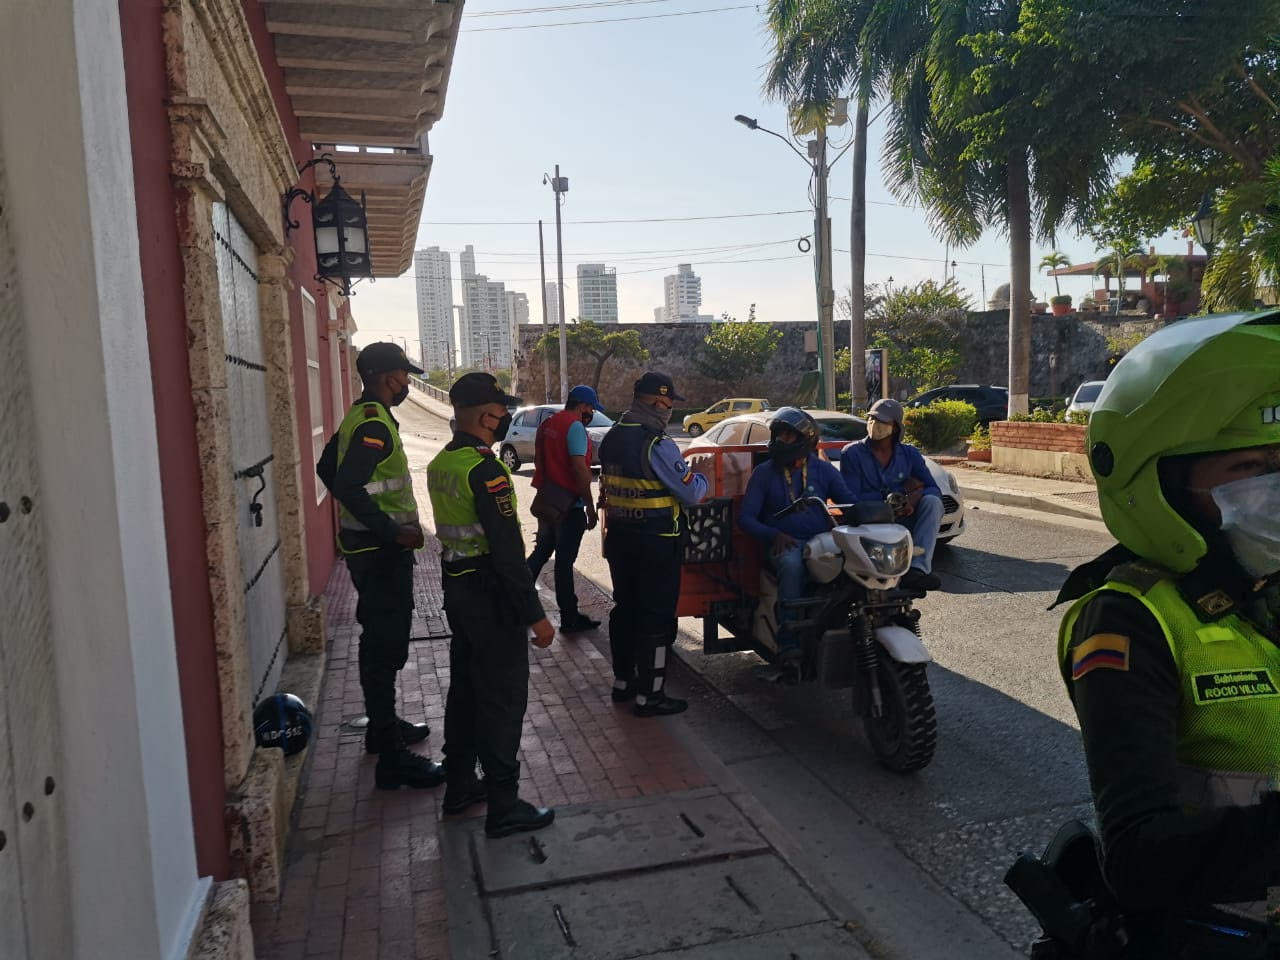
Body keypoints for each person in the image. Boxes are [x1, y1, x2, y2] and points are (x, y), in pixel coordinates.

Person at [1051, 311, 1280, 930]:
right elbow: (1137, 857)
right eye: (1248, 469)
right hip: (1219, 935)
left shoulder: (1265, 588)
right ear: (1164, 486)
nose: (1275, 485)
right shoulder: (1126, 621)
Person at [428, 372, 556, 837]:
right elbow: (506, 554)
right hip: (490, 597)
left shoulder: (445, 461)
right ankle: (504, 803)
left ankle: (460, 785)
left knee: (465, 693)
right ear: (486, 415)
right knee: (502, 700)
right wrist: (536, 617)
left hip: (458, 593)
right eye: (501, 412)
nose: (504, 418)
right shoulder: (485, 469)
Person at [316, 341, 443, 790]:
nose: (407, 383)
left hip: (365, 547)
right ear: (390, 377)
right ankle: (391, 757)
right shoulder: (375, 426)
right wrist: (390, 531)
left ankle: (381, 728)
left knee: (379, 640)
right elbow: (347, 483)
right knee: (384, 645)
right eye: (405, 376)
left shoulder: (360, 415)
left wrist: (363, 522)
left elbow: (325, 467)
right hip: (380, 552)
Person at [598, 372, 709, 716]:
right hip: (657, 544)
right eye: (668, 404)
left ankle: (624, 682)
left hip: (620, 539)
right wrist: (699, 473)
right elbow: (692, 492)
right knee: (656, 619)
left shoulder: (612, 437)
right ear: (659, 403)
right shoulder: (657, 444)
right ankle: (651, 694)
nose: (669, 411)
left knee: (625, 609)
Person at [739, 407, 854, 664]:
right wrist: (773, 535)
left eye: (788, 436)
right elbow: (746, 518)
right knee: (792, 565)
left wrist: (871, 511)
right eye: (778, 435)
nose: (781, 441)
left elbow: (850, 502)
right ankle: (788, 642)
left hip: (820, 543)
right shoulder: (764, 473)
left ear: (805, 440)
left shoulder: (824, 471)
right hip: (783, 545)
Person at [840, 398, 943, 592]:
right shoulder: (852, 453)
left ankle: (917, 570)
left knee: (932, 502)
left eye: (882, 422)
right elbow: (851, 498)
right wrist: (886, 505)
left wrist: (913, 498)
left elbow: (932, 488)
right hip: (871, 523)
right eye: (871, 419)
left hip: (903, 519)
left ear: (895, 428)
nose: (874, 425)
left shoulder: (909, 454)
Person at [527, 384, 602, 635]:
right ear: (582, 406)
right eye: (590, 407)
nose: (591, 412)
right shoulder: (575, 427)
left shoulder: (547, 425)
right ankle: (569, 617)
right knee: (564, 562)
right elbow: (580, 469)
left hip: (548, 501)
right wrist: (590, 506)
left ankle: (517, 601)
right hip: (569, 507)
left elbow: (541, 462)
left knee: (541, 552)